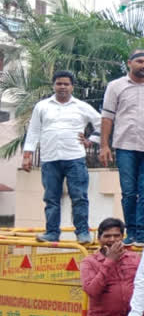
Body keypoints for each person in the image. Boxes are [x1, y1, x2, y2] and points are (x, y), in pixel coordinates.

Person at [100, 49, 144, 246]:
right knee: (129, 192)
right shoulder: (115, 86)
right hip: (125, 145)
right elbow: (107, 116)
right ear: (129, 63)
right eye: (140, 61)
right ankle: (131, 232)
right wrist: (104, 145)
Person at [23, 70, 101, 244]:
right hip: (50, 159)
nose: (62, 87)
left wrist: (91, 140)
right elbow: (34, 131)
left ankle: (82, 233)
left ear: (72, 86)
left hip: (75, 158)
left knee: (79, 197)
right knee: (51, 198)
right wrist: (27, 155)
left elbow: (101, 123)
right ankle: (51, 232)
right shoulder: (42, 106)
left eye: (66, 84)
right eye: (59, 83)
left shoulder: (81, 106)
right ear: (54, 85)